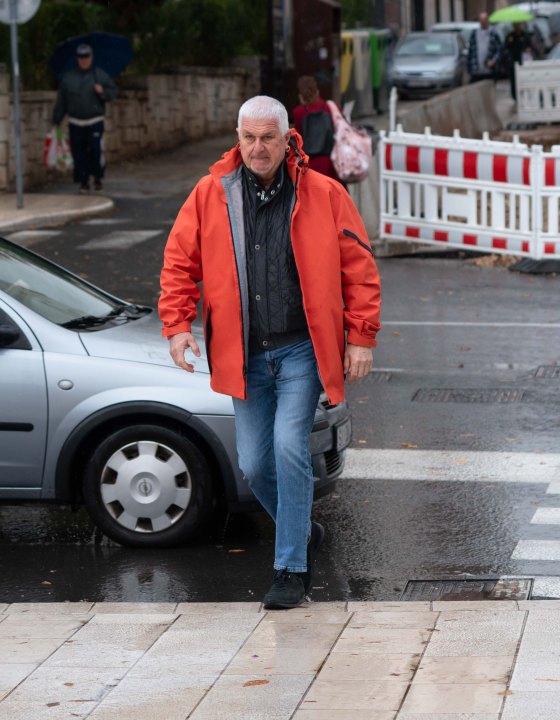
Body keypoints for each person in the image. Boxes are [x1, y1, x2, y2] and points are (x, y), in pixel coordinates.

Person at [159, 96, 381, 609]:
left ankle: (290, 571)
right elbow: (178, 263)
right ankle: (301, 529)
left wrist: (361, 336)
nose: (258, 148)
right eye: (248, 138)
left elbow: (359, 268)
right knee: (255, 464)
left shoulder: (324, 194)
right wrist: (177, 327)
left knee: (288, 448)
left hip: (302, 349)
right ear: (238, 139)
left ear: (287, 140)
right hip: (243, 355)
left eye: (268, 138)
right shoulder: (211, 194)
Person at [51, 44, 117, 194]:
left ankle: (98, 178)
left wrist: (102, 92)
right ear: (77, 59)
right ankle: (83, 182)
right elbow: (62, 101)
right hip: (76, 122)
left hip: (95, 121)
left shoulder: (99, 75)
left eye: (86, 56)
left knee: (95, 150)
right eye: (81, 57)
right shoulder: (69, 78)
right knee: (78, 153)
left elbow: (112, 92)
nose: (84, 60)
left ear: (91, 57)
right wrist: (56, 120)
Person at [291, 76, 341, 183]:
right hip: (332, 161)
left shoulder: (298, 112)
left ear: (301, 96)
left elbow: (298, 138)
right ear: (317, 91)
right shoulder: (331, 107)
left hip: (309, 163)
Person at [467, 13, 503, 82]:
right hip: (476, 71)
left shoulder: (493, 34)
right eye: (481, 20)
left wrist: (493, 60)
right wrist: (469, 68)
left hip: (489, 71)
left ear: (487, 20)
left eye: (484, 19)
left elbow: (499, 50)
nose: (483, 22)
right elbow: (470, 52)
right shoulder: (474, 34)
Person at [502, 23, 533, 100]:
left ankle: (524, 95)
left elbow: (529, 45)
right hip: (512, 62)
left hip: (522, 61)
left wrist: (528, 49)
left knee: (523, 79)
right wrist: (510, 42)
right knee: (513, 80)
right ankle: (515, 97)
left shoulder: (524, 35)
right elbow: (506, 47)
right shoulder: (510, 36)